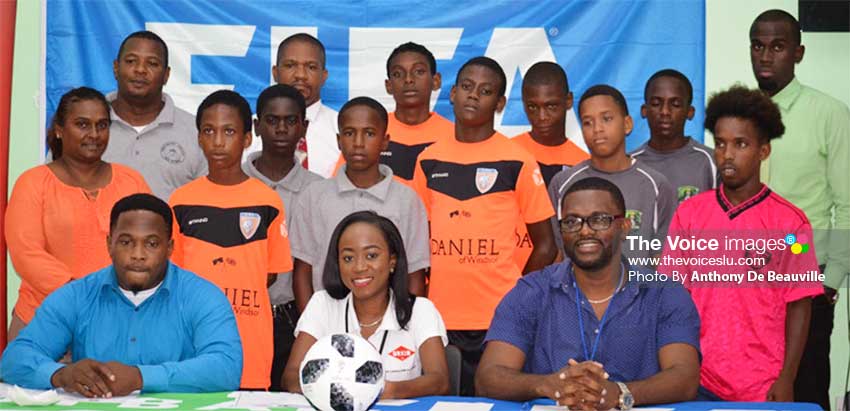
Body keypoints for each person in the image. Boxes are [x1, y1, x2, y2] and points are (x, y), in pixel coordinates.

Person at [658, 86, 822, 401]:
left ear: (764, 151)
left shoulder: (791, 224)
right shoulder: (691, 214)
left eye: (741, 144)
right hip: (697, 380)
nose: (728, 154)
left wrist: (787, 378)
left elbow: (800, 304)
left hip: (762, 385)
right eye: (720, 144)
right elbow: (673, 294)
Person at [477, 177, 700, 408]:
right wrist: (546, 385)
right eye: (572, 222)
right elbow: (488, 378)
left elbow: (685, 378)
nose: (584, 231)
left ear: (624, 228)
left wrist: (620, 394)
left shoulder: (664, 294)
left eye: (599, 220)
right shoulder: (531, 292)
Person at [412, 56, 557, 396]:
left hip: (500, 321)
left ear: (501, 102)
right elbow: (415, 242)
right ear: (451, 93)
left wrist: (517, 299)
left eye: (485, 90)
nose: (473, 96)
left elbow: (547, 245)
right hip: (441, 318)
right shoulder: (428, 160)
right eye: (466, 87)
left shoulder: (518, 159)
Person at [1, 193, 242, 395]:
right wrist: (61, 375)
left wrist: (141, 377)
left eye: (151, 244)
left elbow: (226, 367)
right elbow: (14, 359)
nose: (138, 254)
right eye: (126, 242)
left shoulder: (203, 296)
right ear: (109, 244)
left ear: (169, 248)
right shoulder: (77, 296)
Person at [749, 10, 849, 407]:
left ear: (799, 52)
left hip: (808, 284)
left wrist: (831, 280)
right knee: (748, 394)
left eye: (778, 46)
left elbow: (846, 204)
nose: (766, 56)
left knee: (804, 394)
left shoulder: (830, 114)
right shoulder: (739, 114)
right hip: (747, 282)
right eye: (758, 46)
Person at [5, 87, 150, 342]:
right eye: (82, 124)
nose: (94, 135)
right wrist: (88, 296)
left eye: (102, 125)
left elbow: (151, 244)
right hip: (44, 321)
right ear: (59, 129)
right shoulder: (33, 183)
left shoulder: (131, 181)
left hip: (119, 324)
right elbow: (26, 254)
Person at [169, 90, 292, 390]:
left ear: (248, 138)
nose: (219, 141)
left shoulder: (268, 202)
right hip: (192, 344)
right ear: (199, 138)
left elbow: (270, 274)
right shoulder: (180, 201)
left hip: (249, 346)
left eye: (229, 131)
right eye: (209, 131)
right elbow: (174, 276)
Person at [284, 211, 449, 398]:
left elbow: (439, 381)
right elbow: (291, 376)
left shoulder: (420, 309)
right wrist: (338, 391)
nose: (359, 267)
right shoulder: (323, 304)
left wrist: (383, 390)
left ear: (392, 261)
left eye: (371, 255)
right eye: (348, 258)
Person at [290, 97, 429, 314]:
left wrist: (408, 325)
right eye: (349, 133)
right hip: (328, 324)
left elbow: (415, 275)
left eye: (369, 133)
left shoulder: (407, 200)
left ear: (385, 141)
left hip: (389, 327)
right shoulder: (314, 196)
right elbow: (302, 272)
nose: (358, 142)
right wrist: (313, 327)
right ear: (338, 140)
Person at [242, 84, 323, 391]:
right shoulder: (235, 182)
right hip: (240, 317)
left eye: (291, 121)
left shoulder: (319, 190)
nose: (281, 128)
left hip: (295, 319)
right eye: (272, 120)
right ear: (257, 125)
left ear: (303, 126)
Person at [549, 85, 675, 261]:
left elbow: (663, 258)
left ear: (627, 124)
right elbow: (557, 255)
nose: (597, 129)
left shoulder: (656, 185)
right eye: (588, 122)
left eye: (606, 119)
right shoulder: (562, 184)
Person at [103, 30, 206, 201]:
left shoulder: (195, 132)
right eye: (131, 61)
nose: (140, 70)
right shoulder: (88, 126)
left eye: (152, 63)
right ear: (116, 68)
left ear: (166, 75)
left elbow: (208, 205)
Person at [333, 42, 453, 186]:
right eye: (398, 74)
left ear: (436, 81)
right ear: (388, 85)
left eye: (419, 72)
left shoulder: (453, 134)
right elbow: (340, 187)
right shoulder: (371, 130)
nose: (408, 79)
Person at [512, 61, 589, 269]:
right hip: (506, 278)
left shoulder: (582, 165)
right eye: (533, 107)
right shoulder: (508, 154)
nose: (542, 117)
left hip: (563, 280)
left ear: (568, 101)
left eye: (551, 106)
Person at [630, 69, 716, 203]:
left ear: (690, 112)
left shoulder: (710, 162)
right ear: (644, 110)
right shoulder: (629, 164)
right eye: (656, 104)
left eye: (675, 104)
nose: (665, 111)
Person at [265, 33, 339, 178]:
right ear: (275, 72)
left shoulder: (342, 129)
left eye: (311, 67)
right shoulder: (251, 130)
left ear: (324, 76)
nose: (300, 75)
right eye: (290, 65)